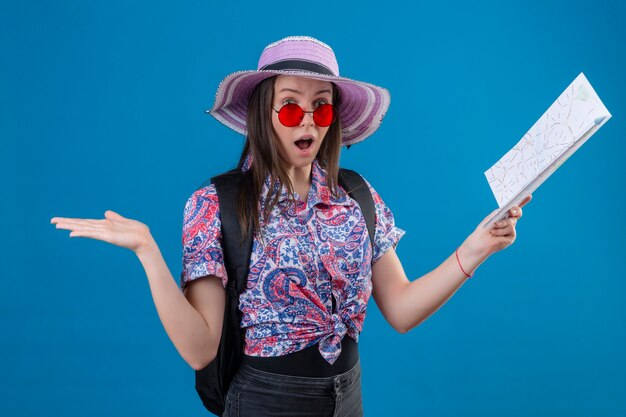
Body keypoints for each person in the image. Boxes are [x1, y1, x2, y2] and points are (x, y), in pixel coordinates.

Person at [50, 35, 532, 416]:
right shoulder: (214, 204)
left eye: (321, 107)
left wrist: (476, 248)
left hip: (348, 398)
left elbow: (402, 309)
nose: (307, 121)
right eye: (289, 106)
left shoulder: (357, 196)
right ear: (265, 113)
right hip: (264, 401)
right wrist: (148, 253)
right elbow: (200, 350)